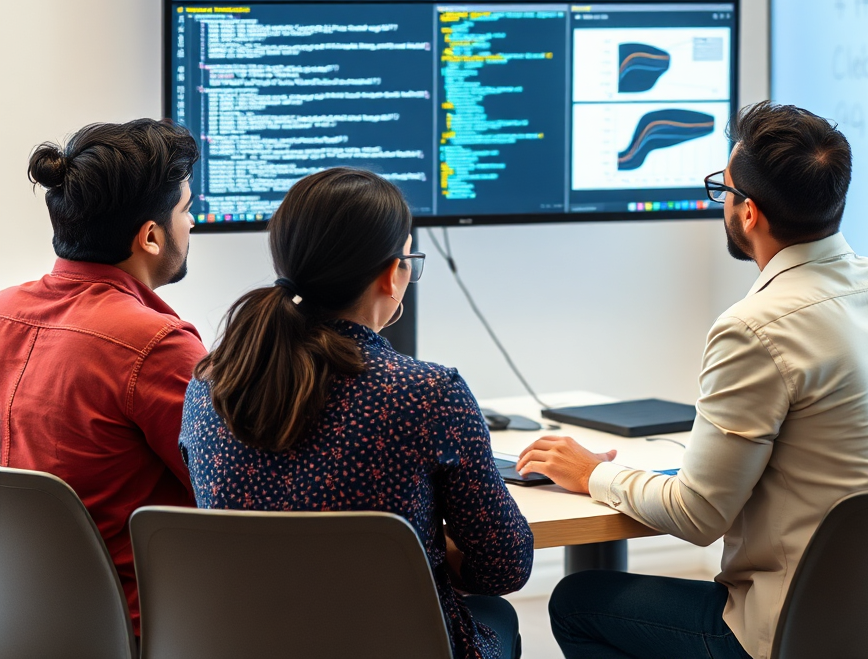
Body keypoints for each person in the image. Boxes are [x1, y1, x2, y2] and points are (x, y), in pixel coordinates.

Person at [518, 101, 868, 659]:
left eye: (722, 191)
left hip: (802, 634)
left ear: (749, 214)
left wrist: (593, 475)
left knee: (578, 602)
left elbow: (698, 515)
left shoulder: (756, 326)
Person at [180, 167, 533, 659]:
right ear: (393, 273)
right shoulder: (429, 393)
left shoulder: (208, 384)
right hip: (396, 645)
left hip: (251, 643)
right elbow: (504, 568)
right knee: (497, 617)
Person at [0, 119, 207, 636]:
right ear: (151, 237)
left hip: (21, 620)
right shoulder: (156, 346)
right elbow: (234, 490)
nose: (193, 224)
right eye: (186, 210)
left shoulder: (2, 313)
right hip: (138, 628)